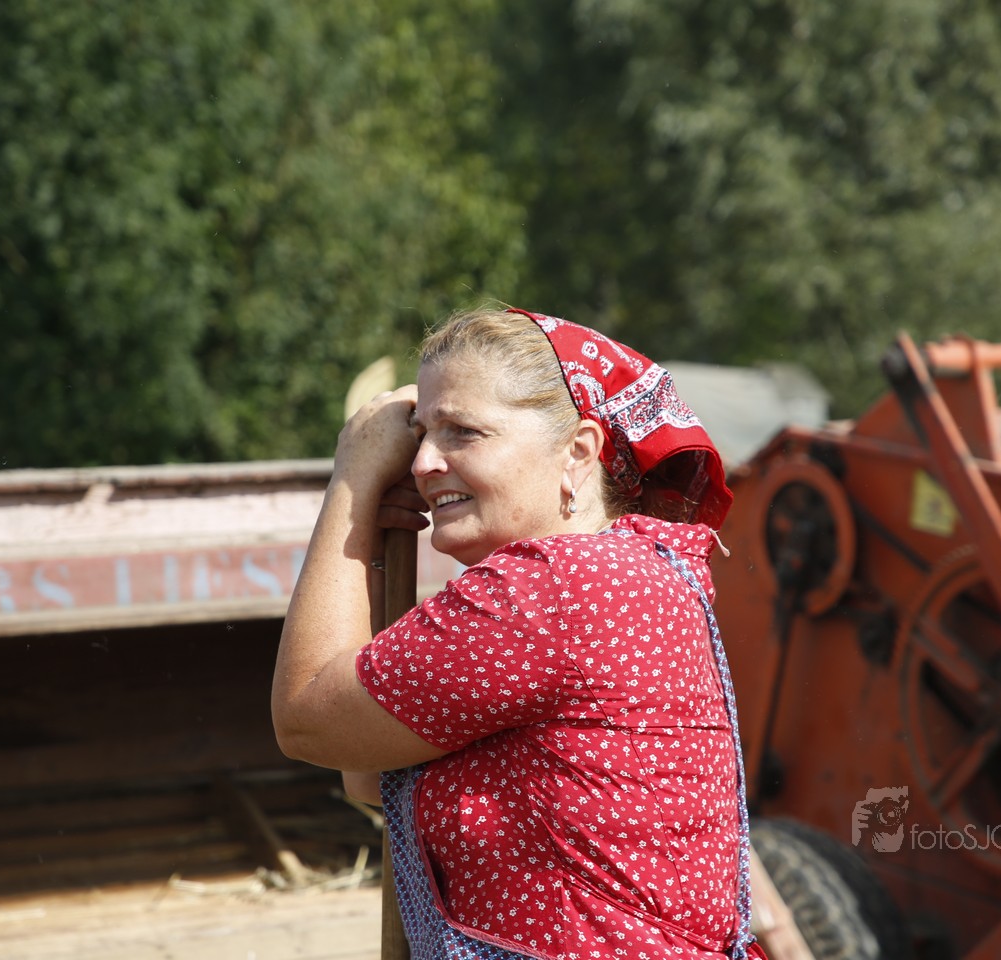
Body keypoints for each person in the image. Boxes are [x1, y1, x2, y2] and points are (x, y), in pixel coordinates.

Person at [272, 306, 763, 960]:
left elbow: (308, 714)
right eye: (420, 435)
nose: (422, 463)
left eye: (463, 432)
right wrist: (372, 546)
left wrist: (354, 482)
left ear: (577, 452)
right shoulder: (631, 570)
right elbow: (367, 764)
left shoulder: (552, 587)